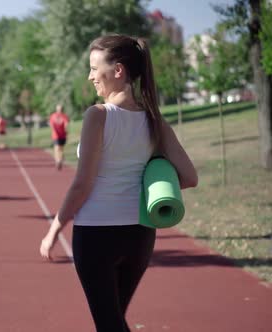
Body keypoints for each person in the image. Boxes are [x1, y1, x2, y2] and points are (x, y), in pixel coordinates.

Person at [39, 34, 198, 332]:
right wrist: (151, 179)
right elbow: (189, 177)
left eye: (94, 68)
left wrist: (53, 230)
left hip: (97, 235)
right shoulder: (155, 121)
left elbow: (82, 184)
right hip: (139, 235)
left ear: (118, 71)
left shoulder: (98, 116)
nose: (89, 77)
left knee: (109, 324)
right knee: (114, 321)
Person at [49, 104, 70, 170]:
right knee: (57, 148)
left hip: (63, 135)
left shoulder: (64, 116)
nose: (59, 110)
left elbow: (66, 124)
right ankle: (58, 161)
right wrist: (54, 131)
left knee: (61, 148)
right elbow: (51, 125)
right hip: (56, 135)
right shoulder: (53, 116)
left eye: (60, 109)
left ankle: (60, 159)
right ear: (56, 109)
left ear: (62, 109)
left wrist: (66, 131)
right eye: (58, 109)